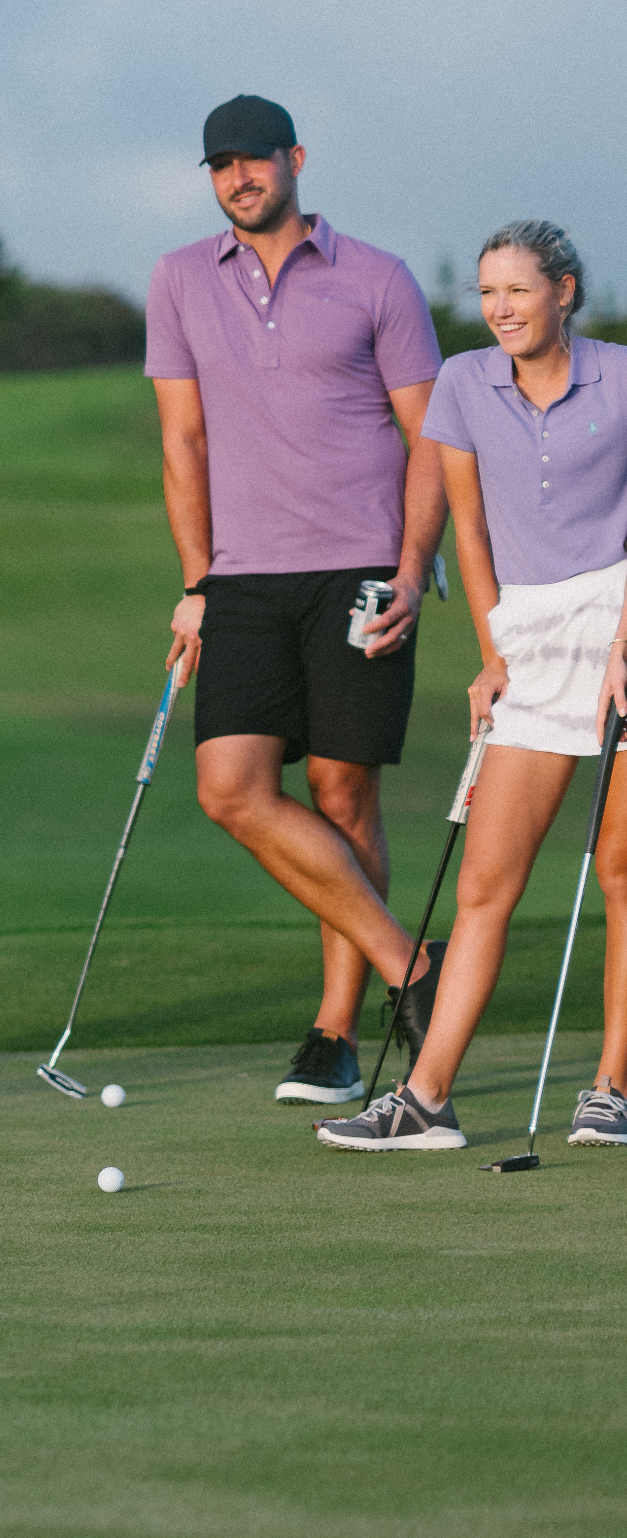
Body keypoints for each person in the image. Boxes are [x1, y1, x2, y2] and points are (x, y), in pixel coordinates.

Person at [146, 95, 448, 1106]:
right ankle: (413, 967)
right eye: (220, 165)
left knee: (341, 793)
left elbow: (431, 443)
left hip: (361, 569)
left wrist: (411, 571)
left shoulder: (378, 278)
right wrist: (195, 581)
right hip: (241, 575)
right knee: (228, 786)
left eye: (254, 160)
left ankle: (334, 1032)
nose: (238, 177)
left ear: (294, 160)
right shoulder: (179, 279)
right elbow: (181, 441)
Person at [320, 223, 627, 1152]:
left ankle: (611, 1088)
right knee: (486, 886)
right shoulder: (460, 382)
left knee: (621, 876)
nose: (499, 308)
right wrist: (494, 655)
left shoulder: (621, 376)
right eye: (488, 292)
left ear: (563, 292)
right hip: (530, 637)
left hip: (620, 624)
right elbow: (469, 529)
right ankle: (425, 1098)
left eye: (518, 291)